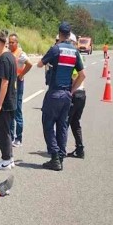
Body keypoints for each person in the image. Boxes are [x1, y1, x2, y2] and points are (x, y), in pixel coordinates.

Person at [37, 22, 85, 171]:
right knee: (62, 126)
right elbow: (82, 75)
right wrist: (71, 90)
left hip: (54, 93)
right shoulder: (75, 52)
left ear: (59, 34)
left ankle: (55, 157)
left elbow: (39, 64)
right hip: (66, 95)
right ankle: (61, 156)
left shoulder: (56, 49)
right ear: (70, 35)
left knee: (48, 123)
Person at [0, 31, 17, 170]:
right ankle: (9, 158)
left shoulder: (5, 59)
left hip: (5, 102)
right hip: (10, 101)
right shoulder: (10, 57)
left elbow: (4, 82)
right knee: (6, 130)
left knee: (2, 131)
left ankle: (6, 159)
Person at [7, 33, 32, 147]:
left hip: (18, 84)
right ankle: (11, 136)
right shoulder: (8, 53)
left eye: (12, 42)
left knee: (17, 110)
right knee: (10, 110)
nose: (10, 44)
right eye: (9, 42)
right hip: (10, 84)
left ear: (17, 43)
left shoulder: (21, 54)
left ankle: (19, 137)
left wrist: (21, 75)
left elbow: (29, 64)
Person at [67, 50, 86, 159]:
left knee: (65, 122)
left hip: (75, 94)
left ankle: (60, 150)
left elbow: (77, 76)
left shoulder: (74, 58)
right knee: (75, 123)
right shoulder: (80, 57)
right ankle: (80, 149)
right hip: (82, 94)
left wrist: (71, 91)